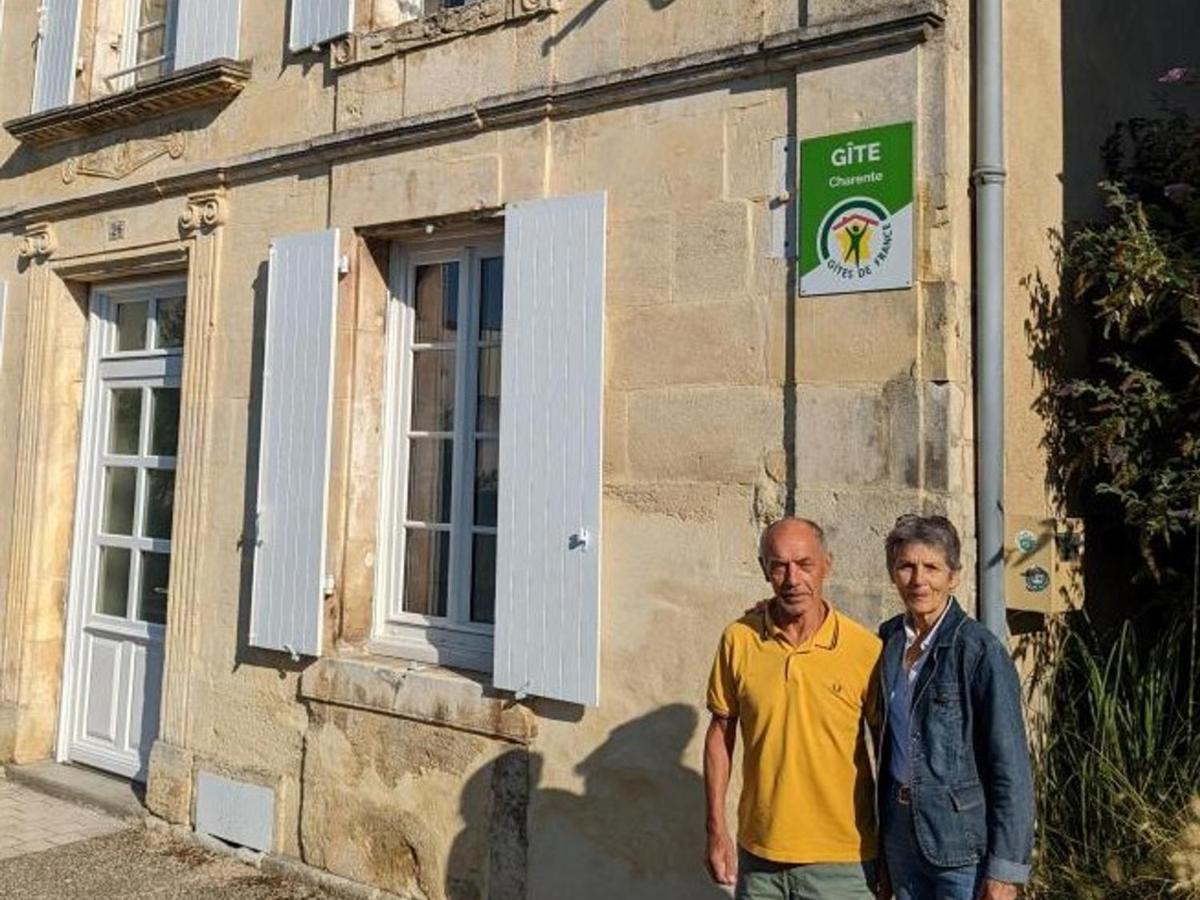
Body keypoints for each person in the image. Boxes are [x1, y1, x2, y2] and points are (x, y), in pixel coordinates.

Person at [704, 517, 882, 899]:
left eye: (804, 564)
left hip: (844, 864)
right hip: (760, 860)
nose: (792, 578)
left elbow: (890, 752)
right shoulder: (739, 639)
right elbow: (721, 732)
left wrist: (894, 851)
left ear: (827, 565)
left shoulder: (865, 650)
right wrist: (717, 831)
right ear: (764, 569)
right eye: (779, 565)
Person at [876, 515, 1034, 900]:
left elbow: (1010, 767)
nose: (918, 580)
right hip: (899, 835)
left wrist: (1005, 871)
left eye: (931, 567)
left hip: (960, 843)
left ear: (954, 576)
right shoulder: (887, 641)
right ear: (893, 573)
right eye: (906, 566)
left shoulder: (979, 652)